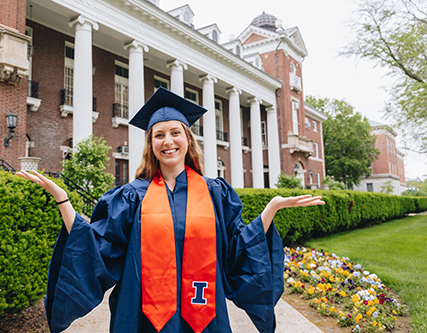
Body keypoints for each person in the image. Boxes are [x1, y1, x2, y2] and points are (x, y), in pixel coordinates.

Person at [17, 87, 324, 333]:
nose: (168, 141)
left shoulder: (216, 194)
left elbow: (237, 249)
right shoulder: (131, 197)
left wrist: (270, 210)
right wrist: (63, 200)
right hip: (141, 315)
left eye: (175, 132)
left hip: (203, 315)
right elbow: (97, 247)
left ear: (187, 139)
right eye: (158, 135)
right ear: (151, 143)